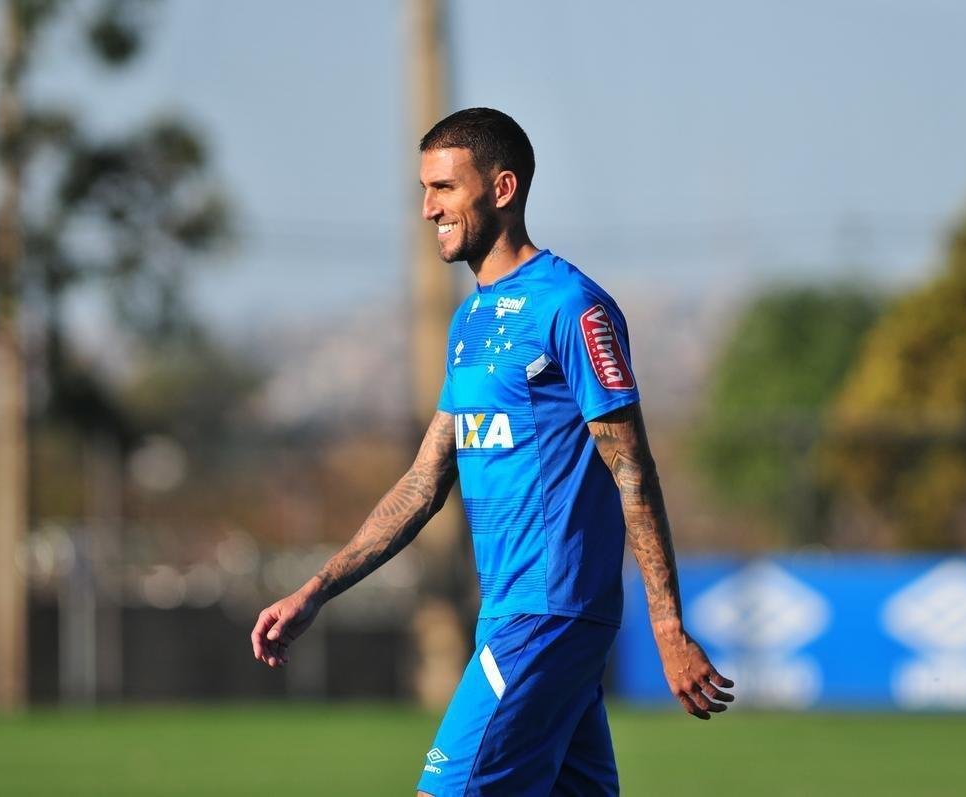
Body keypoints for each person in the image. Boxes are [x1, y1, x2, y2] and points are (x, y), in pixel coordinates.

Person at [250, 107, 734, 795]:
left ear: (501, 189)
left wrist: (667, 625)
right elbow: (424, 481)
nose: (427, 208)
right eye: (424, 189)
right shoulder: (470, 320)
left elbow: (633, 471)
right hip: (510, 611)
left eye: (444, 187)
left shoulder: (572, 307)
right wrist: (316, 589)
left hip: (549, 612)